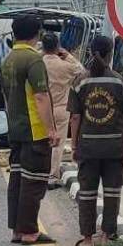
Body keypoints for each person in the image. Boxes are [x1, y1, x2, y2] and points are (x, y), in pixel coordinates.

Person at [68, 35, 123, 246]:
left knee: (87, 193)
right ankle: (106, 235)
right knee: (112, 193)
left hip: (88, 147)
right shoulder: (119, 80)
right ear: (111, 53)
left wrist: (75, 145)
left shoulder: (80, 81)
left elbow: (75, 117)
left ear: (90, 52)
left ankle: (87, 239)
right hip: (114, 147)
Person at [0, 15, 54, 245]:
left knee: (17, 179)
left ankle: (17, 229)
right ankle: (30, 231)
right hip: (34, 130)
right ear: (37, 34)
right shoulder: (33, 60)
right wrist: (51, 129)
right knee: (34, 181)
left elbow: (6, 96)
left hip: (15, 129)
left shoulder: (7, 60)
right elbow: (41, 96)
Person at [41, 30, 82, 165]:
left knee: (41, 142)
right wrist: (68, 56)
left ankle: (41, 171)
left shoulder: (37, 63)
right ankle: (53, 175)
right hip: (61, 108)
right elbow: (81, 70)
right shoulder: (65, 66)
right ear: (58, 46)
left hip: (41, 108)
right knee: (58, 145)